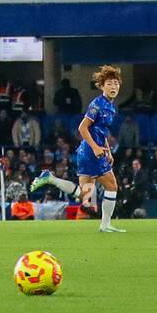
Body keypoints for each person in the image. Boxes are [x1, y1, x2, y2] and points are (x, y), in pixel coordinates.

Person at [31, 66, 124, 233]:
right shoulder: (97, 104)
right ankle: (105, 225)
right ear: (102, 86)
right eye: (109, 83)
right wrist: (96, 148)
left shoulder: (111, 107)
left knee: (85, 196)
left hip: (91, 151)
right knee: (112, 186)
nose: (113, 86)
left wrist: (107, 150)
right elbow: (82, 128)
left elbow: (101, 131)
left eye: (116, 83)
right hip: (90, 152)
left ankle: (51, 179)